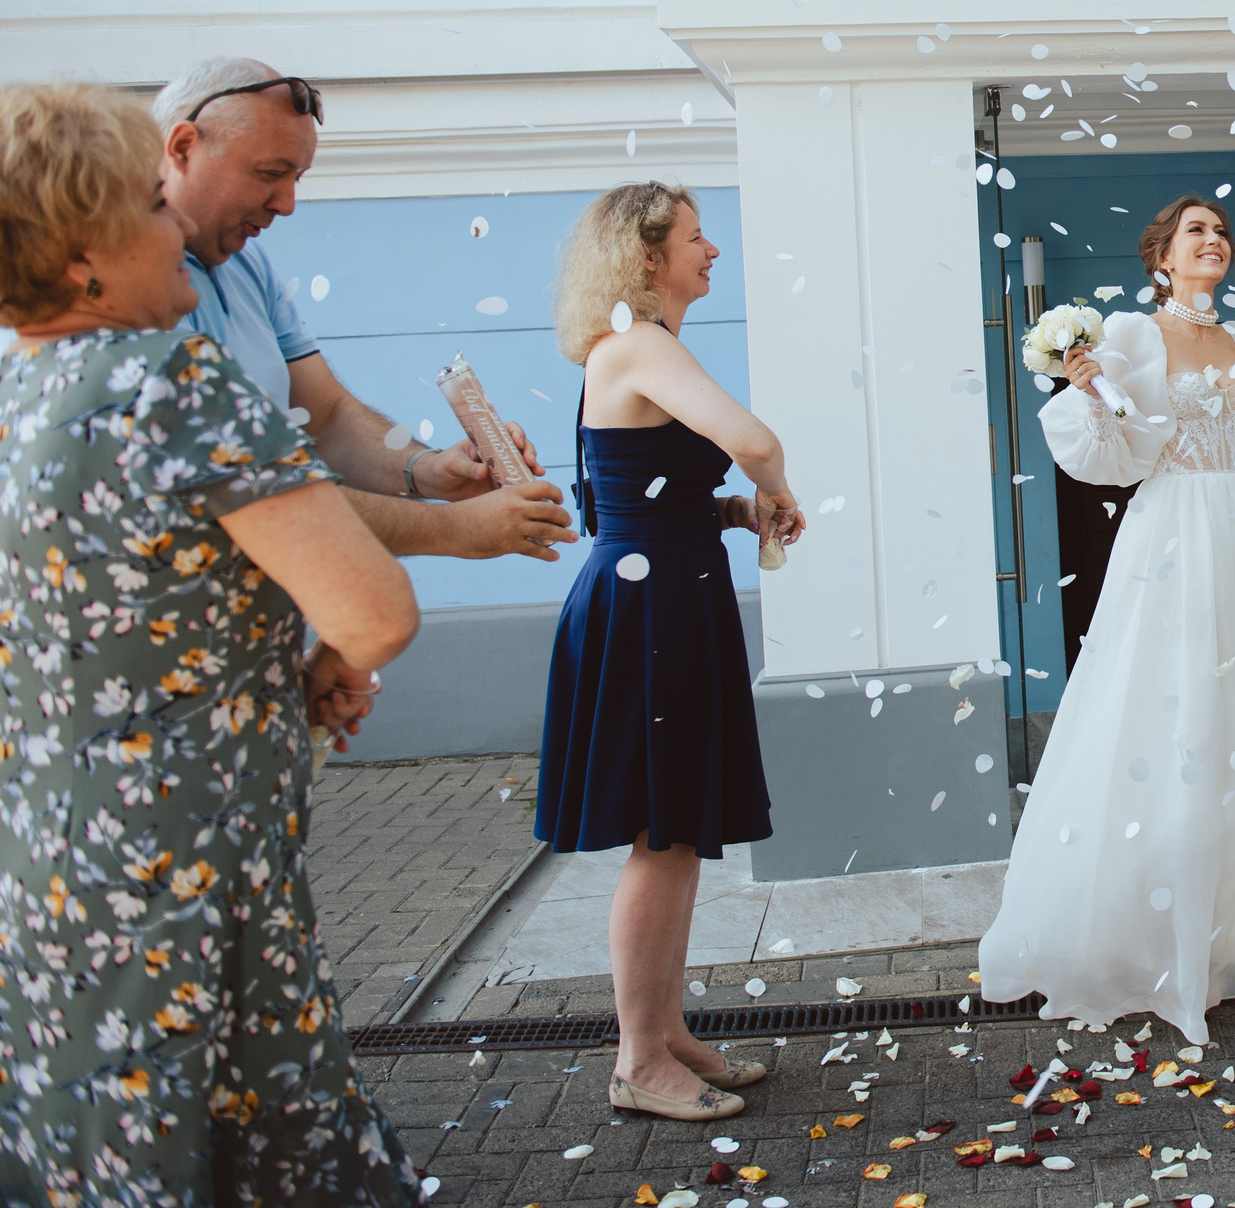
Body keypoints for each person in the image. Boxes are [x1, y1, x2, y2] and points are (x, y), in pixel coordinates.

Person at [0, 83, 423, 1203]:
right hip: (187, 865)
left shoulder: (13, 387)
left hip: (50, 855)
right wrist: (329, 660)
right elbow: (374, 608)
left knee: (93, 1137)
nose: (177, 224)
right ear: (83, 253)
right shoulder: (171, 382)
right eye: (151, 204)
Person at [980, 196, 1235, 1041]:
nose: (1215, 240)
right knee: (1172, 719)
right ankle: (1153, 930)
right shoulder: (1129, 332)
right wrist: (1091, 391)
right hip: (1170, 537)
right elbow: (1116, 455)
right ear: (1161, 257)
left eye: (1221, 231)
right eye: (1195, 231)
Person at [535, 181, 803, 1122]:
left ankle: (667, 1030)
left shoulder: (641, 347)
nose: (712, 250)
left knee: (677, 832)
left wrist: (732, 509)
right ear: (647, 257)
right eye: (697, 237)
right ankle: (639, 1059)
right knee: (661, 836)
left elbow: (630, 496)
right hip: (652, 616)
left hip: (664, 599)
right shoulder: (639, 342)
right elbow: (754, 437)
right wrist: (770, 484)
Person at [155, 55, 576, 565]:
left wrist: (427, 470)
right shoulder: (120, 284)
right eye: (270, 173)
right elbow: (243, 492)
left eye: (298, 178)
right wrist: (454, 529)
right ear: (182, 147)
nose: (286, 203)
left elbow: (325, 416)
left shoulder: (248, 265)